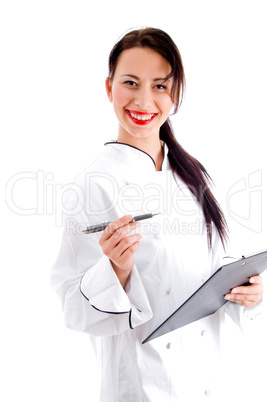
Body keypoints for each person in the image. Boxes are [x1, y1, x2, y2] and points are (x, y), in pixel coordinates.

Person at [51, 27, 264, 401]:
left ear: (176, 95)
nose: (144, 100)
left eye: (160, 86)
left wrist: (246, 290)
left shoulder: (192, 172)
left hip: (206, 375)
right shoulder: (93, 184)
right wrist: (115, 268)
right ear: (109, 88)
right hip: (142, 381)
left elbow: (209, 266)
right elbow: (73, 309)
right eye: (130, 82)